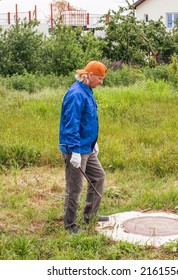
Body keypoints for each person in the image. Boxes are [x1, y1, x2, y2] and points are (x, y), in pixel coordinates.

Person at [59, 61, 109, 234]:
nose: (101, 82)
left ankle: (90, 215)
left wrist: (93, 143)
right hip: (76, 150)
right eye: (100, 78)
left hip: (87, 147)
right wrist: (74, 151)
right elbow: (71, 124)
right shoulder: (76, 94)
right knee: (75, 188)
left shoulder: (87, 91)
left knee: (99, 177)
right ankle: (70, 224)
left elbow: (88, 121)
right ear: (90, 76)